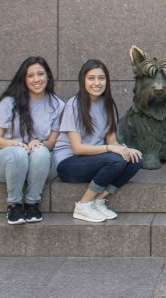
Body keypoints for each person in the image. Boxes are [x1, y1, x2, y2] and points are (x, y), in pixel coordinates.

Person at [53, 59, 143, 222]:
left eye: (101, 78)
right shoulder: (74, 105)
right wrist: (110, 148)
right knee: (116, 161)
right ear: (83, 80)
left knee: (135, 160)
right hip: (69, 164)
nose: (97, 83)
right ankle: (83, 204)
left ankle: (99, 199)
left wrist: (126, 150)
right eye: (91, 78)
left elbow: (112, 141)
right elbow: (78, 149)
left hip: (94, 160)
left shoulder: (108, 104)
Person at [0, 56, 64, 224]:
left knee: (42, 152)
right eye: (30, 75)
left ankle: (32, 204)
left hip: (34, 165)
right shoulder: (9, 102)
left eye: (40, 74)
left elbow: (51, 143)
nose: (36, 79)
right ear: (24, 79)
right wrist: (16, 144)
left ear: (48, 76)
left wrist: (40, 143)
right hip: (3, 161)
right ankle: (13, 205)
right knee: (19, 153)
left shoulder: (58, 105)